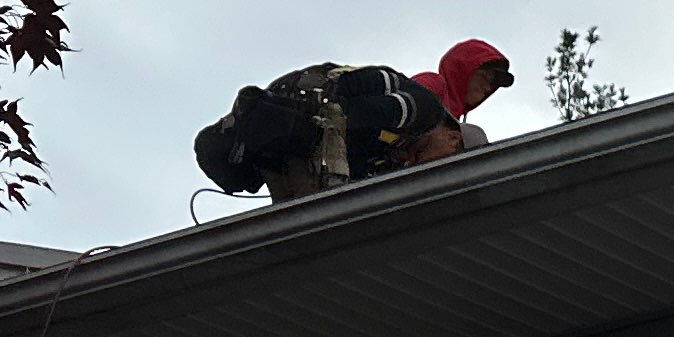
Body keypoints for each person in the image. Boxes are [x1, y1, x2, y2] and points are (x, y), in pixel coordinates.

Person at [194, 39, 515, 202]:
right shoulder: (428, 102)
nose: (488, 88)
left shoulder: (405, 138)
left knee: (295, 224)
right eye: (486, 77)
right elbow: (361, 116)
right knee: (318, 220)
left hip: (297, 138)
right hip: (311, 129)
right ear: (454, 138)